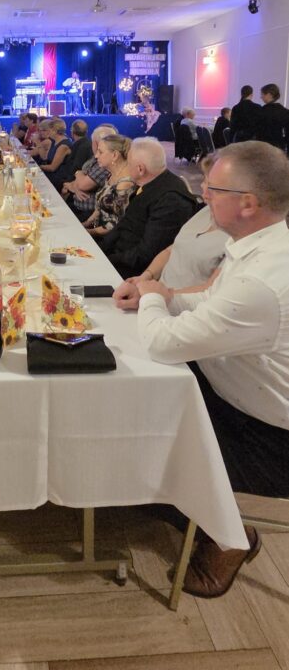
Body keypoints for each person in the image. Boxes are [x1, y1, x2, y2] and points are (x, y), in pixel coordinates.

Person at [128, 142, 289, 598]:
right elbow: (212, 303)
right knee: (140, 407)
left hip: (267, 437)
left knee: (146, 438)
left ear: (248, 203)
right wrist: (164, 298)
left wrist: (152, 295)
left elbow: (162, 343)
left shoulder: (263, 282)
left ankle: (231, 535)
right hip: (231, 393)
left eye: (213, 189)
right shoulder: (260, 245)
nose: (203, 195)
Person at [114, 155, 227, 302]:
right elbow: (171, 250)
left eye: (211, 186)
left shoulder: (237, 238)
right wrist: (145, 276)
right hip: (156, 295)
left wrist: (157, 294)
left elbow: (209, 292)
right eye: (205, 180)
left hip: (178, 305)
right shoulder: (207, 211)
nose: (202, 188)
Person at [98, 137, 199, 279]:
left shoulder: (171, 200)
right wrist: (99, 250)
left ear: (140, 169)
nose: (126, 167)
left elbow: (146, 254)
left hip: (132, 274)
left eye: (128, 163)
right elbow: (124, 226)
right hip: (118, 256)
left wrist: (107, 260)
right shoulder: (150, 183)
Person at [62, 124, 118, 220]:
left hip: (88, 213)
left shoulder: (105, 163)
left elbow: (83, 185)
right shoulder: (96, 158)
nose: (97, 155)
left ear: (95, 143)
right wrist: (75, 183)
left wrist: (77, 177)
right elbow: (79, 180)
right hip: (80, 207)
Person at [83, 135, 135, 236]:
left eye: (100, 152)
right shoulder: (112, 173)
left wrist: (90, 232)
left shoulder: (125, 184)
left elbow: (116, 223)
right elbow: (100, 207)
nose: (96, 156)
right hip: (98, 227)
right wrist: (86, 223)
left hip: (110, 238)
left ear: (115, 155)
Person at [50, 119, 92, 191]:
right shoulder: (87, 143)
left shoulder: (81, 147)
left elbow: (75, 168)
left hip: (72, 182)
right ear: (86, 132)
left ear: (72, 132)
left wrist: (67, 184)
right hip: (76, 179)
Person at [257, 83, 289, 152]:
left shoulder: (262, 111)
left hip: (264, 148)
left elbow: (258, 133)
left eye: (262, 94)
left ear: (269, 95)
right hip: (279, 148)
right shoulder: (285, 111)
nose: (261, 97)